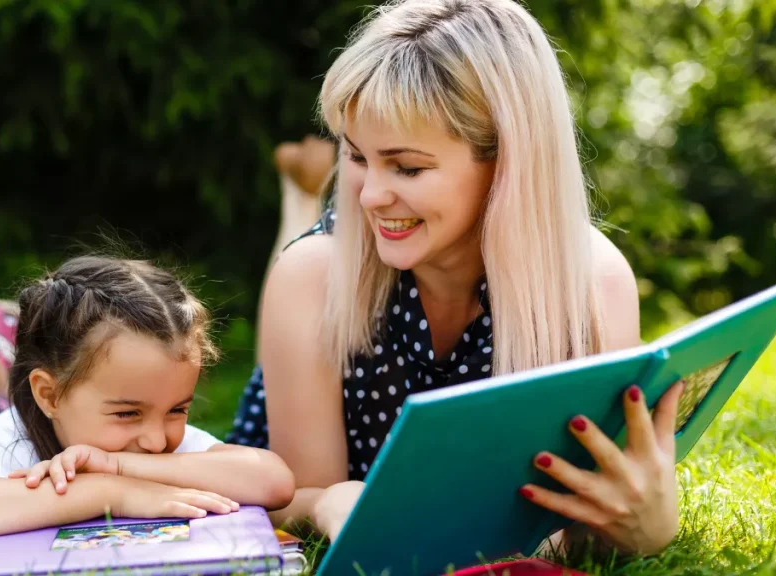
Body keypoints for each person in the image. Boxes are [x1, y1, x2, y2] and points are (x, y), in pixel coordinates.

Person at [226, 0, 684, 558]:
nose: (369, 196)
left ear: (507, 159)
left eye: (408, 167)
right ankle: (298, 195)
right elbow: (296, 495)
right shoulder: (312, 276)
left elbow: (577, 522)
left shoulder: (592, 282)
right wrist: (324, 502)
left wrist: (641, 530)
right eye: (356, 156)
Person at [0, 254, 295, 550]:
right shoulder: (4, 444)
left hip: (28, 401)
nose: (158, 439)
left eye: (179, 409)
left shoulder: (143, 440)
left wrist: (117, 467)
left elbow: (272, 481)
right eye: (127, 412)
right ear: (49, 395)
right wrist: (115, 493)